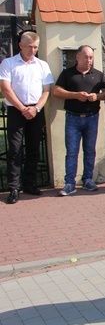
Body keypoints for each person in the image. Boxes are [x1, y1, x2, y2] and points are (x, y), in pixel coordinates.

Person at [1, 32, 54, 204]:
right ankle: (14, 187)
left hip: (35, 110)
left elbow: (47, 90)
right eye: (29, 46)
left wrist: (36, 108)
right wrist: (23, 108)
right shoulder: (8, 63)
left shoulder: (42, 65)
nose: (33, 50)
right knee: (15, 150)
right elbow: (5, 89)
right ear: (20, 45)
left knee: (33, 149)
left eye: (35, 47)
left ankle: (30, 184)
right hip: (17, 110)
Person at [52, 45, 105, 196]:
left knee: (90, 150)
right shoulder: (68, 74)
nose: (88, 60)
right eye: (85, 57)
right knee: (72, 151)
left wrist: (96, 97)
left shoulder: (97, 74)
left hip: (92, 117)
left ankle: (88, 179)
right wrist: (75, 95)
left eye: (91, 57)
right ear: (77, 57)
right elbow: (56, 91)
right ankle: (70, 183)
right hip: (73, 117)